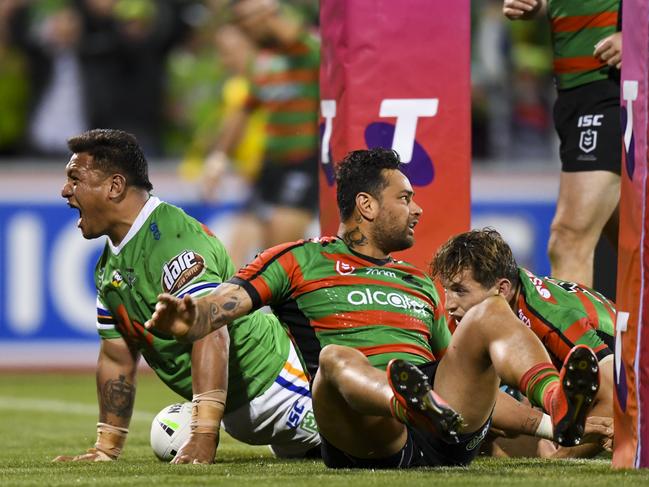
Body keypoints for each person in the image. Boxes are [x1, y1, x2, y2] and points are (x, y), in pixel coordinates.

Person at [147, 148, 607, 468]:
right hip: (368, 433)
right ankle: (406, 403)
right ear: (366, 206)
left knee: (488, 312)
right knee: (335, 359)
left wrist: (546, 425)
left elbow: (464, 378)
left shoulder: (419, 283)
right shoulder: (299, 259)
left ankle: (558, 399)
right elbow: (222, 307)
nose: (417, 210)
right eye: (405, 198)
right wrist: (192, 318)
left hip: (444, 428)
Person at [54, 129, 319, 464]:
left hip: (282, 388)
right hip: (244, 411)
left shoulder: (172, 239)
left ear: (114, 186)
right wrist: (106, 448)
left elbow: (210, 327)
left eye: (74, 179)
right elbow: (116, 358)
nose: (65, 191)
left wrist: (204, 435)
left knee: (377, 447)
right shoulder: (109, 268)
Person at [431, 227, 614, 458]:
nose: (448, 305)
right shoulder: (472, 314)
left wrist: (560, 462)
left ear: (502, 288)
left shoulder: (553, 316)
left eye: (460, 290)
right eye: (447, 290)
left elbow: (616, 399)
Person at [503, 0, 622, 287]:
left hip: (609, 89)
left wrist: (640, 37)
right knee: (635, 244)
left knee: (568, 238)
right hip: (572, 95)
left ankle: (571, 334)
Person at [201, 0, 320, 256]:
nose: (246, 30)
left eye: (246, 22)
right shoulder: (263, 61)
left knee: (279, 250)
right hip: (271, 163)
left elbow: (293, 33)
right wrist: (219, 156)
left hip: (303, 162)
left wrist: (268, 14)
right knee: (237, 247)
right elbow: (245, 109)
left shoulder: (306, 49)